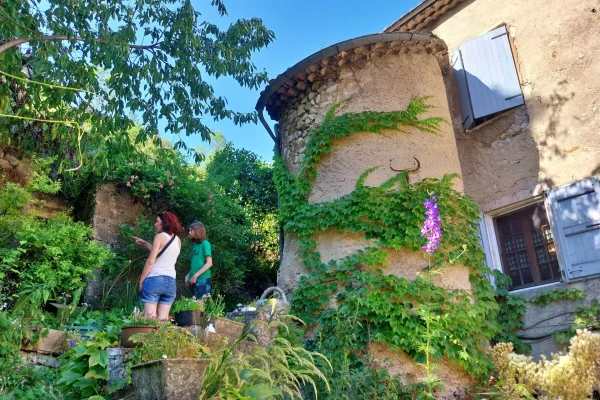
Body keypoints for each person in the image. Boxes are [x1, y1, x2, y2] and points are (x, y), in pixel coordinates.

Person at [133, 211, 182, 320]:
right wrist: (146, 243)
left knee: (150, 319)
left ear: (165, 223)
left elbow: (151, 261)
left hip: (155, 280)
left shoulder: (159, 237)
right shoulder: (177, 240)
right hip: (171, 283)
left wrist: (141, 281)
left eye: (157, 222)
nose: (155, 224)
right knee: (162, 320)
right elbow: (161, 254)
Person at [185, 221, 212, 309]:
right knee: (193, 305)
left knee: (200, 307)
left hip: (202, 279)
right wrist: (188, 275)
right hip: (193, 280)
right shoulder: (195, 246)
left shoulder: (205, 244)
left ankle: (200, 323)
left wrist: (195, 275)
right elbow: (195, 264)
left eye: (191, 230)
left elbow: (209, 263)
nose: (189, 232)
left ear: (197, 231)